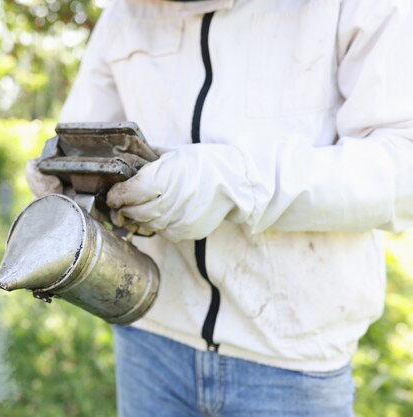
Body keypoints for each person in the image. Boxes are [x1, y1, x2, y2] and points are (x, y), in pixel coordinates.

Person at [26, 0, 413, 415]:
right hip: (148, 334)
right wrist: (68, 176)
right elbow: (83, 131)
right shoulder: (125, 12)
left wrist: (234, 181)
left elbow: (400, 167)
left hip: (290, 360)